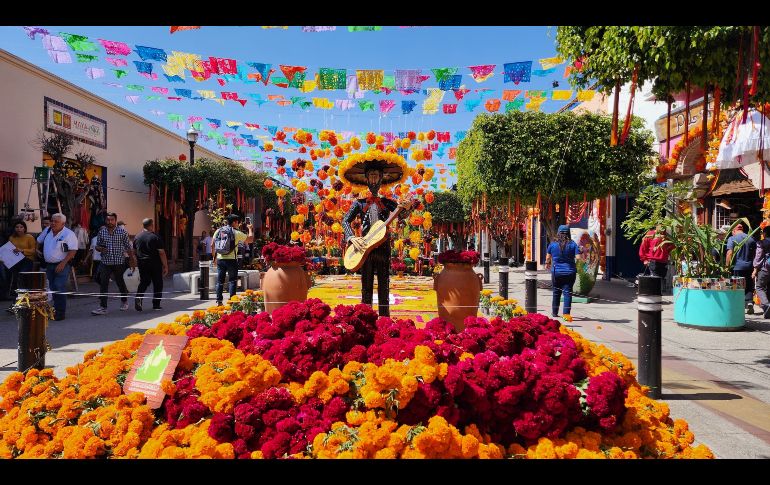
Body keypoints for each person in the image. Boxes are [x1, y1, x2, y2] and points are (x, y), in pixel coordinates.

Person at [341, 156, 412, 317]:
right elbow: (345, 220)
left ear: (381, 179)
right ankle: (366, 319)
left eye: (377, 176)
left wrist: (408, 208)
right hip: (364, 249)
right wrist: (351, 238)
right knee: (366, 286)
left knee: (384, 286)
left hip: (384, 249)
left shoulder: (388, 203)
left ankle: (385, 319)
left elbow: (403, 215)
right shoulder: (359, 203)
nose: (374, 179)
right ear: (366, 179)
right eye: (371, 175)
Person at [91, 213, 136, 315]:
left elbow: (128, 247)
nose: (109, 222)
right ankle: (103, 307)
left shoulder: (122, 232)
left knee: (120, 283)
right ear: (105, 221)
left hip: (119, 262)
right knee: (103, 284)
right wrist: (100, 248)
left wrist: (132, 262)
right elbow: (97, 246)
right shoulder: (102, 232)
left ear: (115, 221)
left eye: (112, 220)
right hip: (105, 262)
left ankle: (124, 301)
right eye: (108, 220)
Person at [36, 213, 78, 321]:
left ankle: (60, 312)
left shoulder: (69, 234)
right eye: (52, 221)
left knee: (59, 286)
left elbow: (73, 250)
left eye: (56, 222)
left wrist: (63, 263)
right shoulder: (48, 231)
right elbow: (38, 240)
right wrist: (36, 249)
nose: (53, 223)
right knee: (53, 288)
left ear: (63, 223)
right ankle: (55, 309)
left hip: (62, 264)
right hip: (49, 265)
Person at [212, 214, 254, 305]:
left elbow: (213, 244)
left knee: (220, 281)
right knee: (232, 280)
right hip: (231, 259)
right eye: (237, 222)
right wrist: (250, 229)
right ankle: (232, 301)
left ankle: (219, 301)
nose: (238, 224)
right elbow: (250, 240)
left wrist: (214, 258)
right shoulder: (236, 233)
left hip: (220, 259)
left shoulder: (218, 230)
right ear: (234, 222)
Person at [545, 225, 582, 320]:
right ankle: (566, 314)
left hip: (556, 272)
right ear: (568, 233)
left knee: (556, 292)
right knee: (567, 293)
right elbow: (578, 258)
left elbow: (548, 257)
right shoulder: (573, 244)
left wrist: (547, 264)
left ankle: (554, 313)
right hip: (570, 272)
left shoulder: (553, 244)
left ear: (558, 233)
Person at [133, 218, 168, 311]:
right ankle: (156, 304)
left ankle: (138, 298)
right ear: (151, 225)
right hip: (155, 263)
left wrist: (136, 262)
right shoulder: (155, 237)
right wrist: (165, 265)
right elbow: (161, 252)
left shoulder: (137, 237)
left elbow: (134, 251)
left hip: (142, 263)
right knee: (158, 283)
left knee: (144, 282)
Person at [725, 222, 757, 314]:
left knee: (736, 286)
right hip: (749, 266)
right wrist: (755, 268)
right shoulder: (750, 238)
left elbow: (729, 253)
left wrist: (727, 266)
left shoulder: (732, 238)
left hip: (736, 267)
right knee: (749, 286)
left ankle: (737, 306)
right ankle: (749, 302)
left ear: (734, 231)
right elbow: (755, 253)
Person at [7, 220, 37, 299]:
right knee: (15, 277)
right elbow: (8, 249)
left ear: (24, 228)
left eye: (21, 227)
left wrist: (23, 250)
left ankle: (25, 296)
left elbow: (33, 251)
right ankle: (17, 297)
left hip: (27, 260)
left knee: (22, 276)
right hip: (15, 260)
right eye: (17, 227)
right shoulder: (11, 237)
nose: (19, 229)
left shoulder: (29, 237)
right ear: (14, 228)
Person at [752, 226, 770, 319]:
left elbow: (758, 256)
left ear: (765, 233)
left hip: (765, 269)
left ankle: (766, 306)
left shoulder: (762, 243)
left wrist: (755, 269)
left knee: (759, 287)